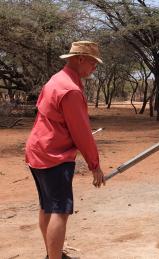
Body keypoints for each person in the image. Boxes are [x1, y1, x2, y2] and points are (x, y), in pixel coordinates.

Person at [25, 41, 106, 259]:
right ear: (80, 59)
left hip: (37, 150)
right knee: (59, 211)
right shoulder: (71, 90)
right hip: (54, 155)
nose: (94, 68)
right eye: (92, 63)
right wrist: (94, 165)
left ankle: (53, 254)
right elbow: (81, 132)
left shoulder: (56, 80)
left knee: (47, 206)